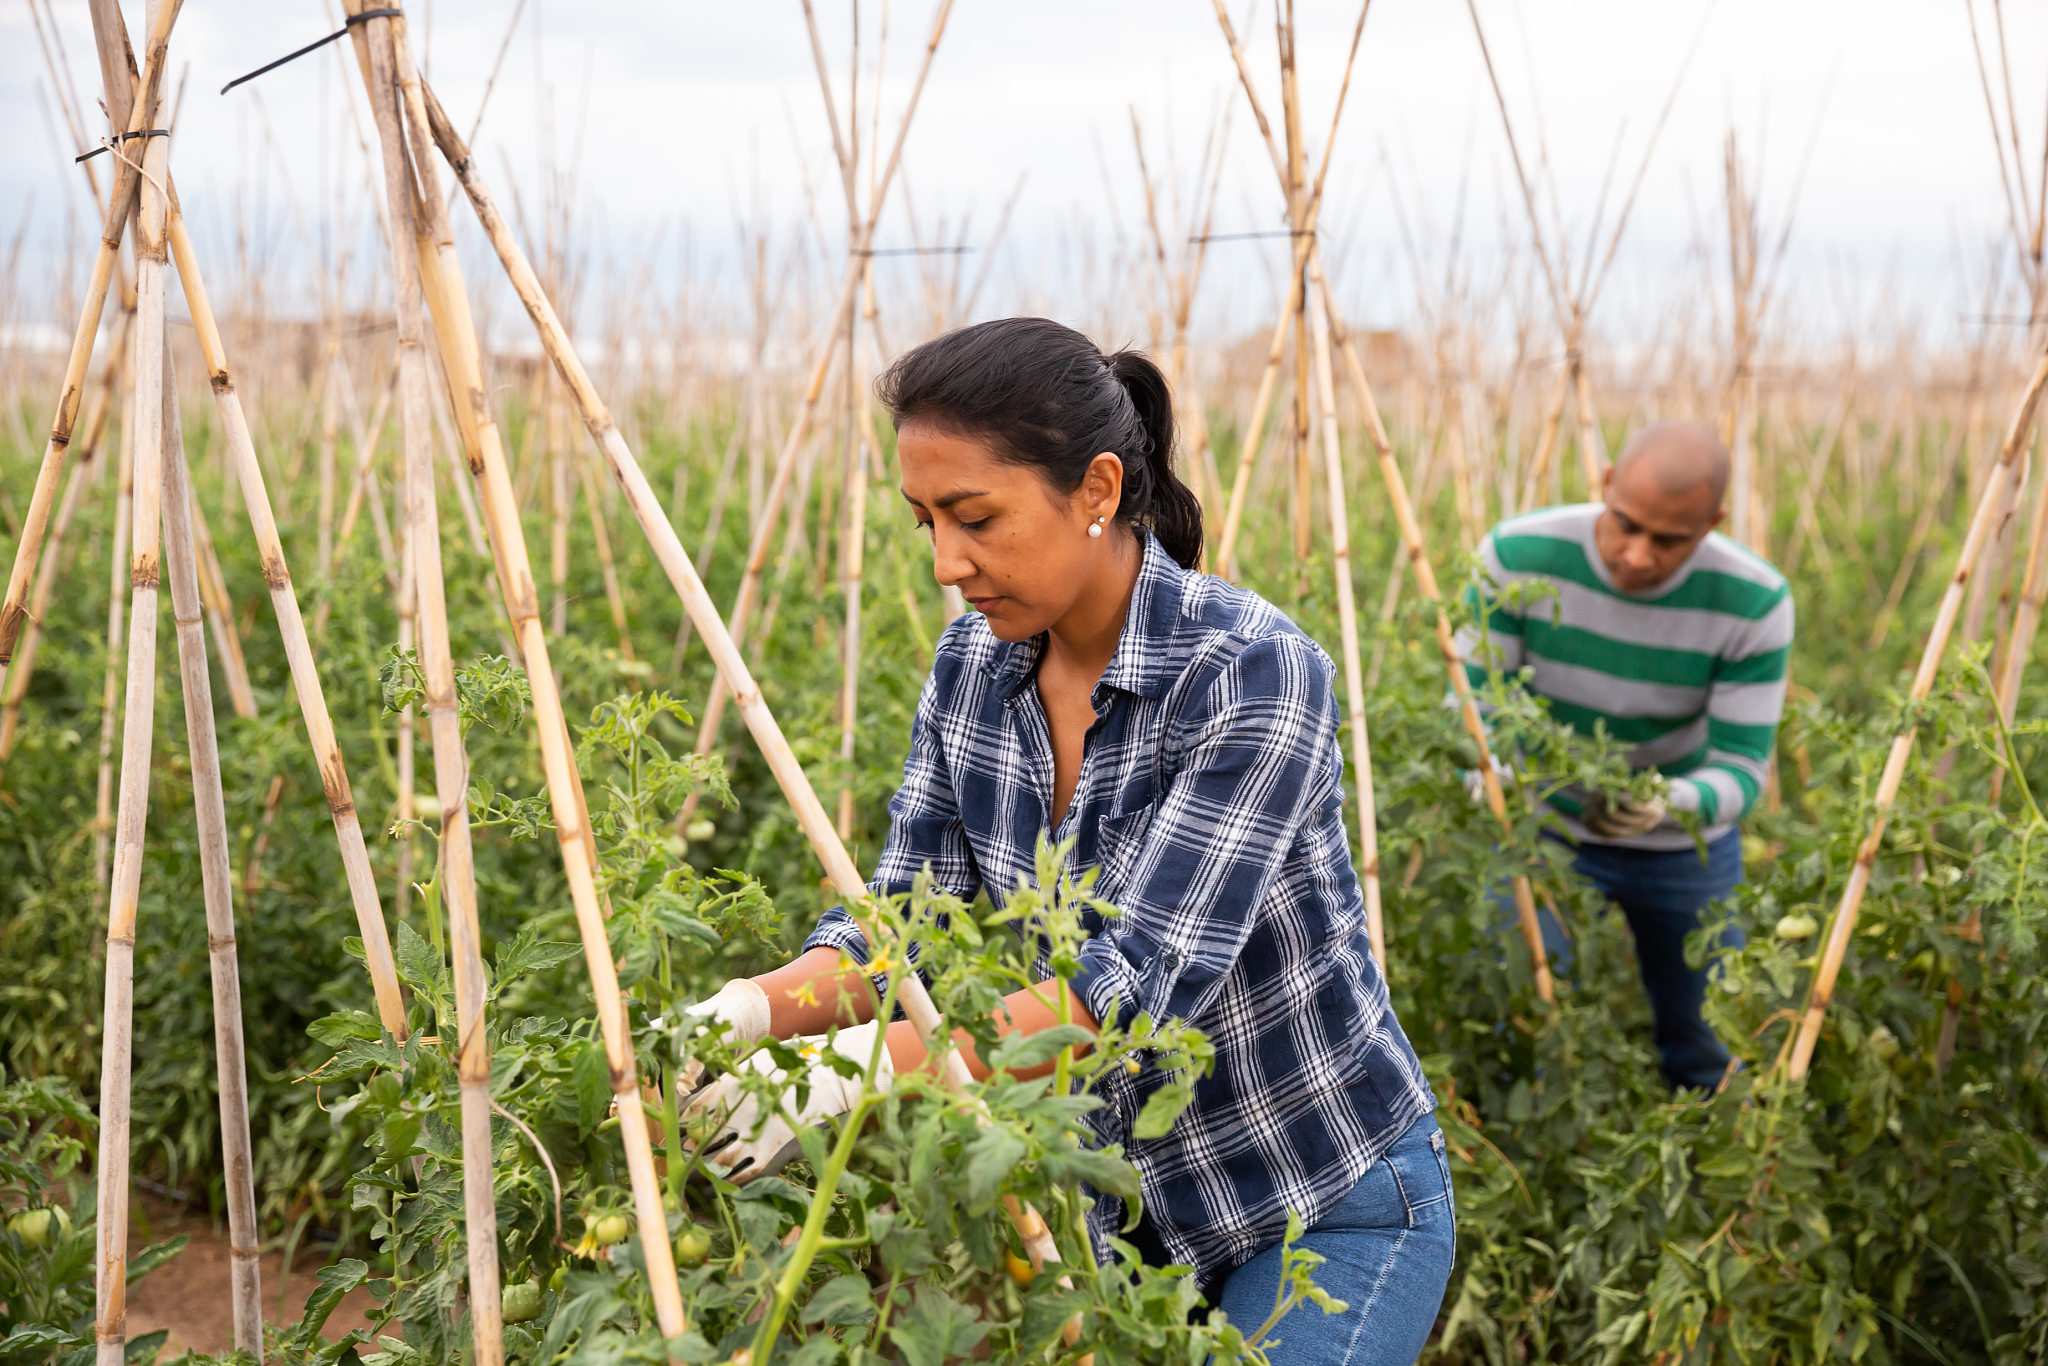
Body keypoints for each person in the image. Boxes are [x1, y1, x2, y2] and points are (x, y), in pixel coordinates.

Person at [680, 317, 1453, 1362]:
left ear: (1094, 490)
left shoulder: (1249, 673)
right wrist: (751, 1012)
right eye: (926, 524)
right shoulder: (972, 670)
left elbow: (1124, 995)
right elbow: (905, 923)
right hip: (1124, 1231)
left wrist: (845, 1081)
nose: (949, 561)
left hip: (1318, 1198)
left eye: (976, 517)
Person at [1461, 421, 1793, 1091]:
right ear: (1605, 483)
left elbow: (1742, 768)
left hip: (1680, 845)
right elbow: (1477, 707)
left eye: (1669, 541)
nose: (1638, 556)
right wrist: (1487, 771)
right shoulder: (1517, 555)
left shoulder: (1753, 601)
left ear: (1713, 524)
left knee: (1710, 1036)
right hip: (1541, 831)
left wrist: (1666, 804)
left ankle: (1713, 1170)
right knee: (1522, 1024)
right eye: (1627, 525)